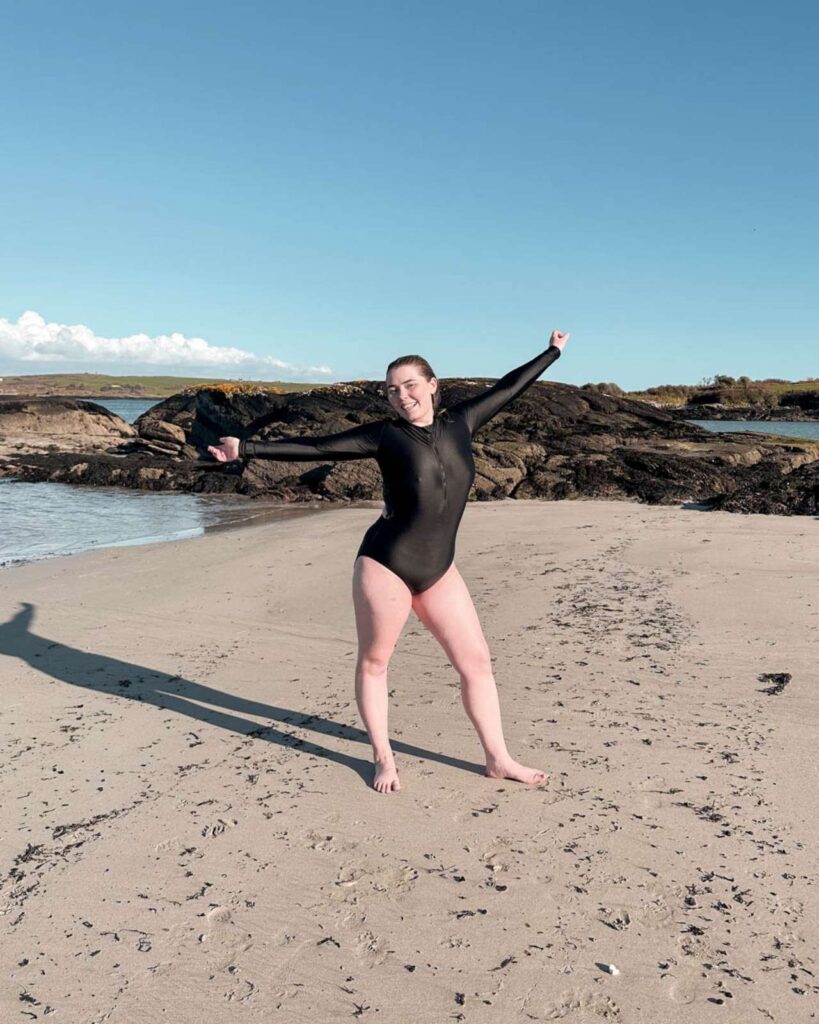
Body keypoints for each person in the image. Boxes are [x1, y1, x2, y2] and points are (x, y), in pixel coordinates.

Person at [208, 330, 569, 793]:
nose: (402, 396)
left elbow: (509, 387)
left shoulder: (463, 421)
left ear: (433, 384)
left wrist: (552, 352)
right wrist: (246, 449)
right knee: (376, 661)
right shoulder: (384, 436)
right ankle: (383, 758)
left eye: (411, 385)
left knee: (477, 663)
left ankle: (498, 759)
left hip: (440, 568)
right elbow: (319, 447)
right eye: (393, 390)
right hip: (386, 563)